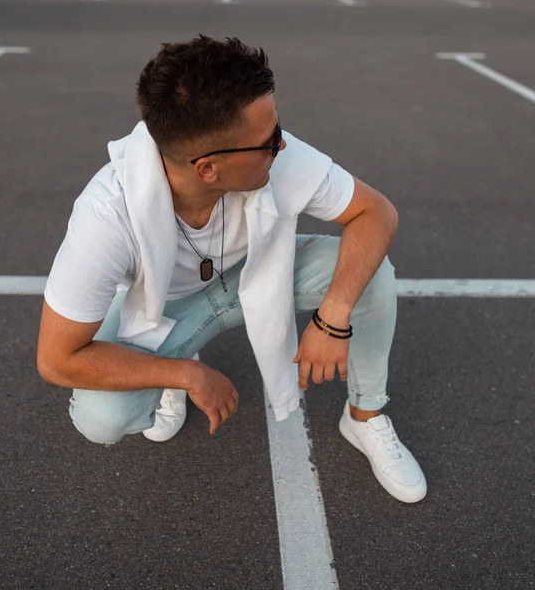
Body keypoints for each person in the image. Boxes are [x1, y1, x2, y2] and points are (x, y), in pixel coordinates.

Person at [37, 35, 426, 503]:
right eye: (269, 141)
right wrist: (183, 375)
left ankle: (364, 418)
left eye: (278, 128)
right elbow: (57, 359)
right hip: (163, 306)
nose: (282, 145)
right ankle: (167, 370)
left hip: (262, 272)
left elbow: (377, 211)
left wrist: (333, 316)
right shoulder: (105, 215)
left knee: (372, 275)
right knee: (101, 418)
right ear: (208, 169)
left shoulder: (273, 152)